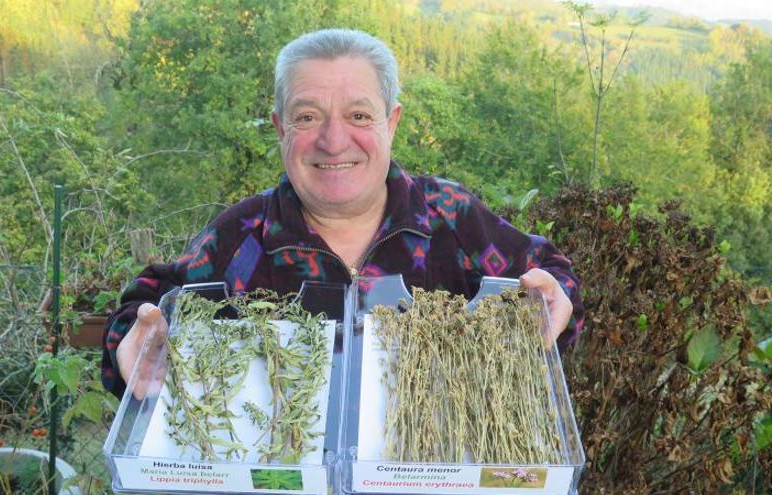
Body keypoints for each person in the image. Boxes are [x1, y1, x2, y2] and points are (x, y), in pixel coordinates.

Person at [102, 28, 584, 398]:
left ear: (391, 122)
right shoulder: (241, 236)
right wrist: (136, 342)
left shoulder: (451, 218)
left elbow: (551, 279)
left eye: (358, 115)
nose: (334, 141)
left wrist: (553, 300)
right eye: (308, 117)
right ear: (280, 129)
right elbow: (148, 305)